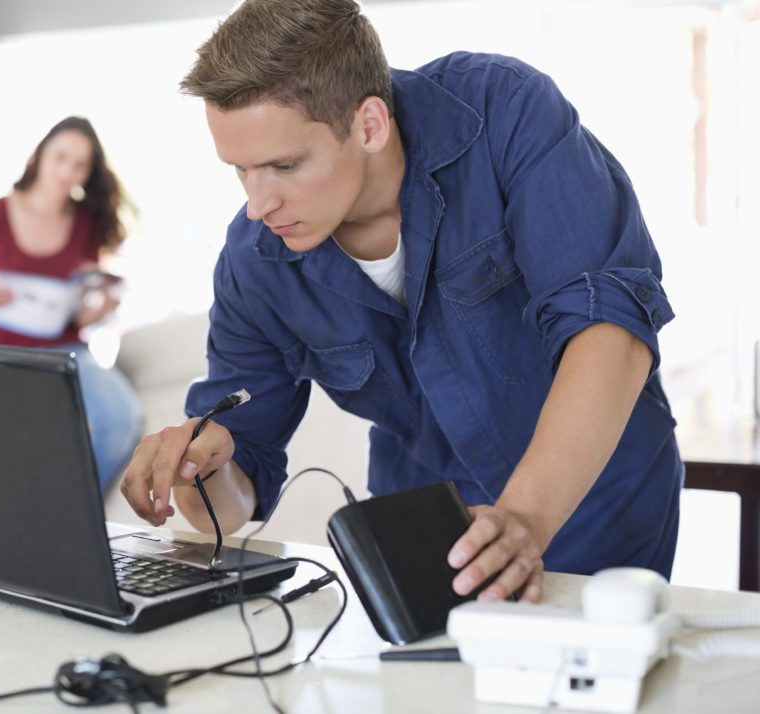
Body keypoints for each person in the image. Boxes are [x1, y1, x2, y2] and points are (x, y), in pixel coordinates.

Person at [120, 0, 683, 604]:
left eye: (284, 165)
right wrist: (202, 475)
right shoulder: (253, 262)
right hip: (423, 527)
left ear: (368, 125)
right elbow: (230, 504)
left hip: (595, 498)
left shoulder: (504, 112)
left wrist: (522, 518)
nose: (259, 204)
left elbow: (612, 332)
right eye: (241, 171)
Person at [0, 116, 143, 491]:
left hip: (68, 351)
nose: (66, 171)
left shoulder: (88, 222)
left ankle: (71, 508)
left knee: (122, 418)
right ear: (40, 155)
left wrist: (102, 306)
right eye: (60, 157)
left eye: (79, 165)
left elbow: (81, 314)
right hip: (2, 354)